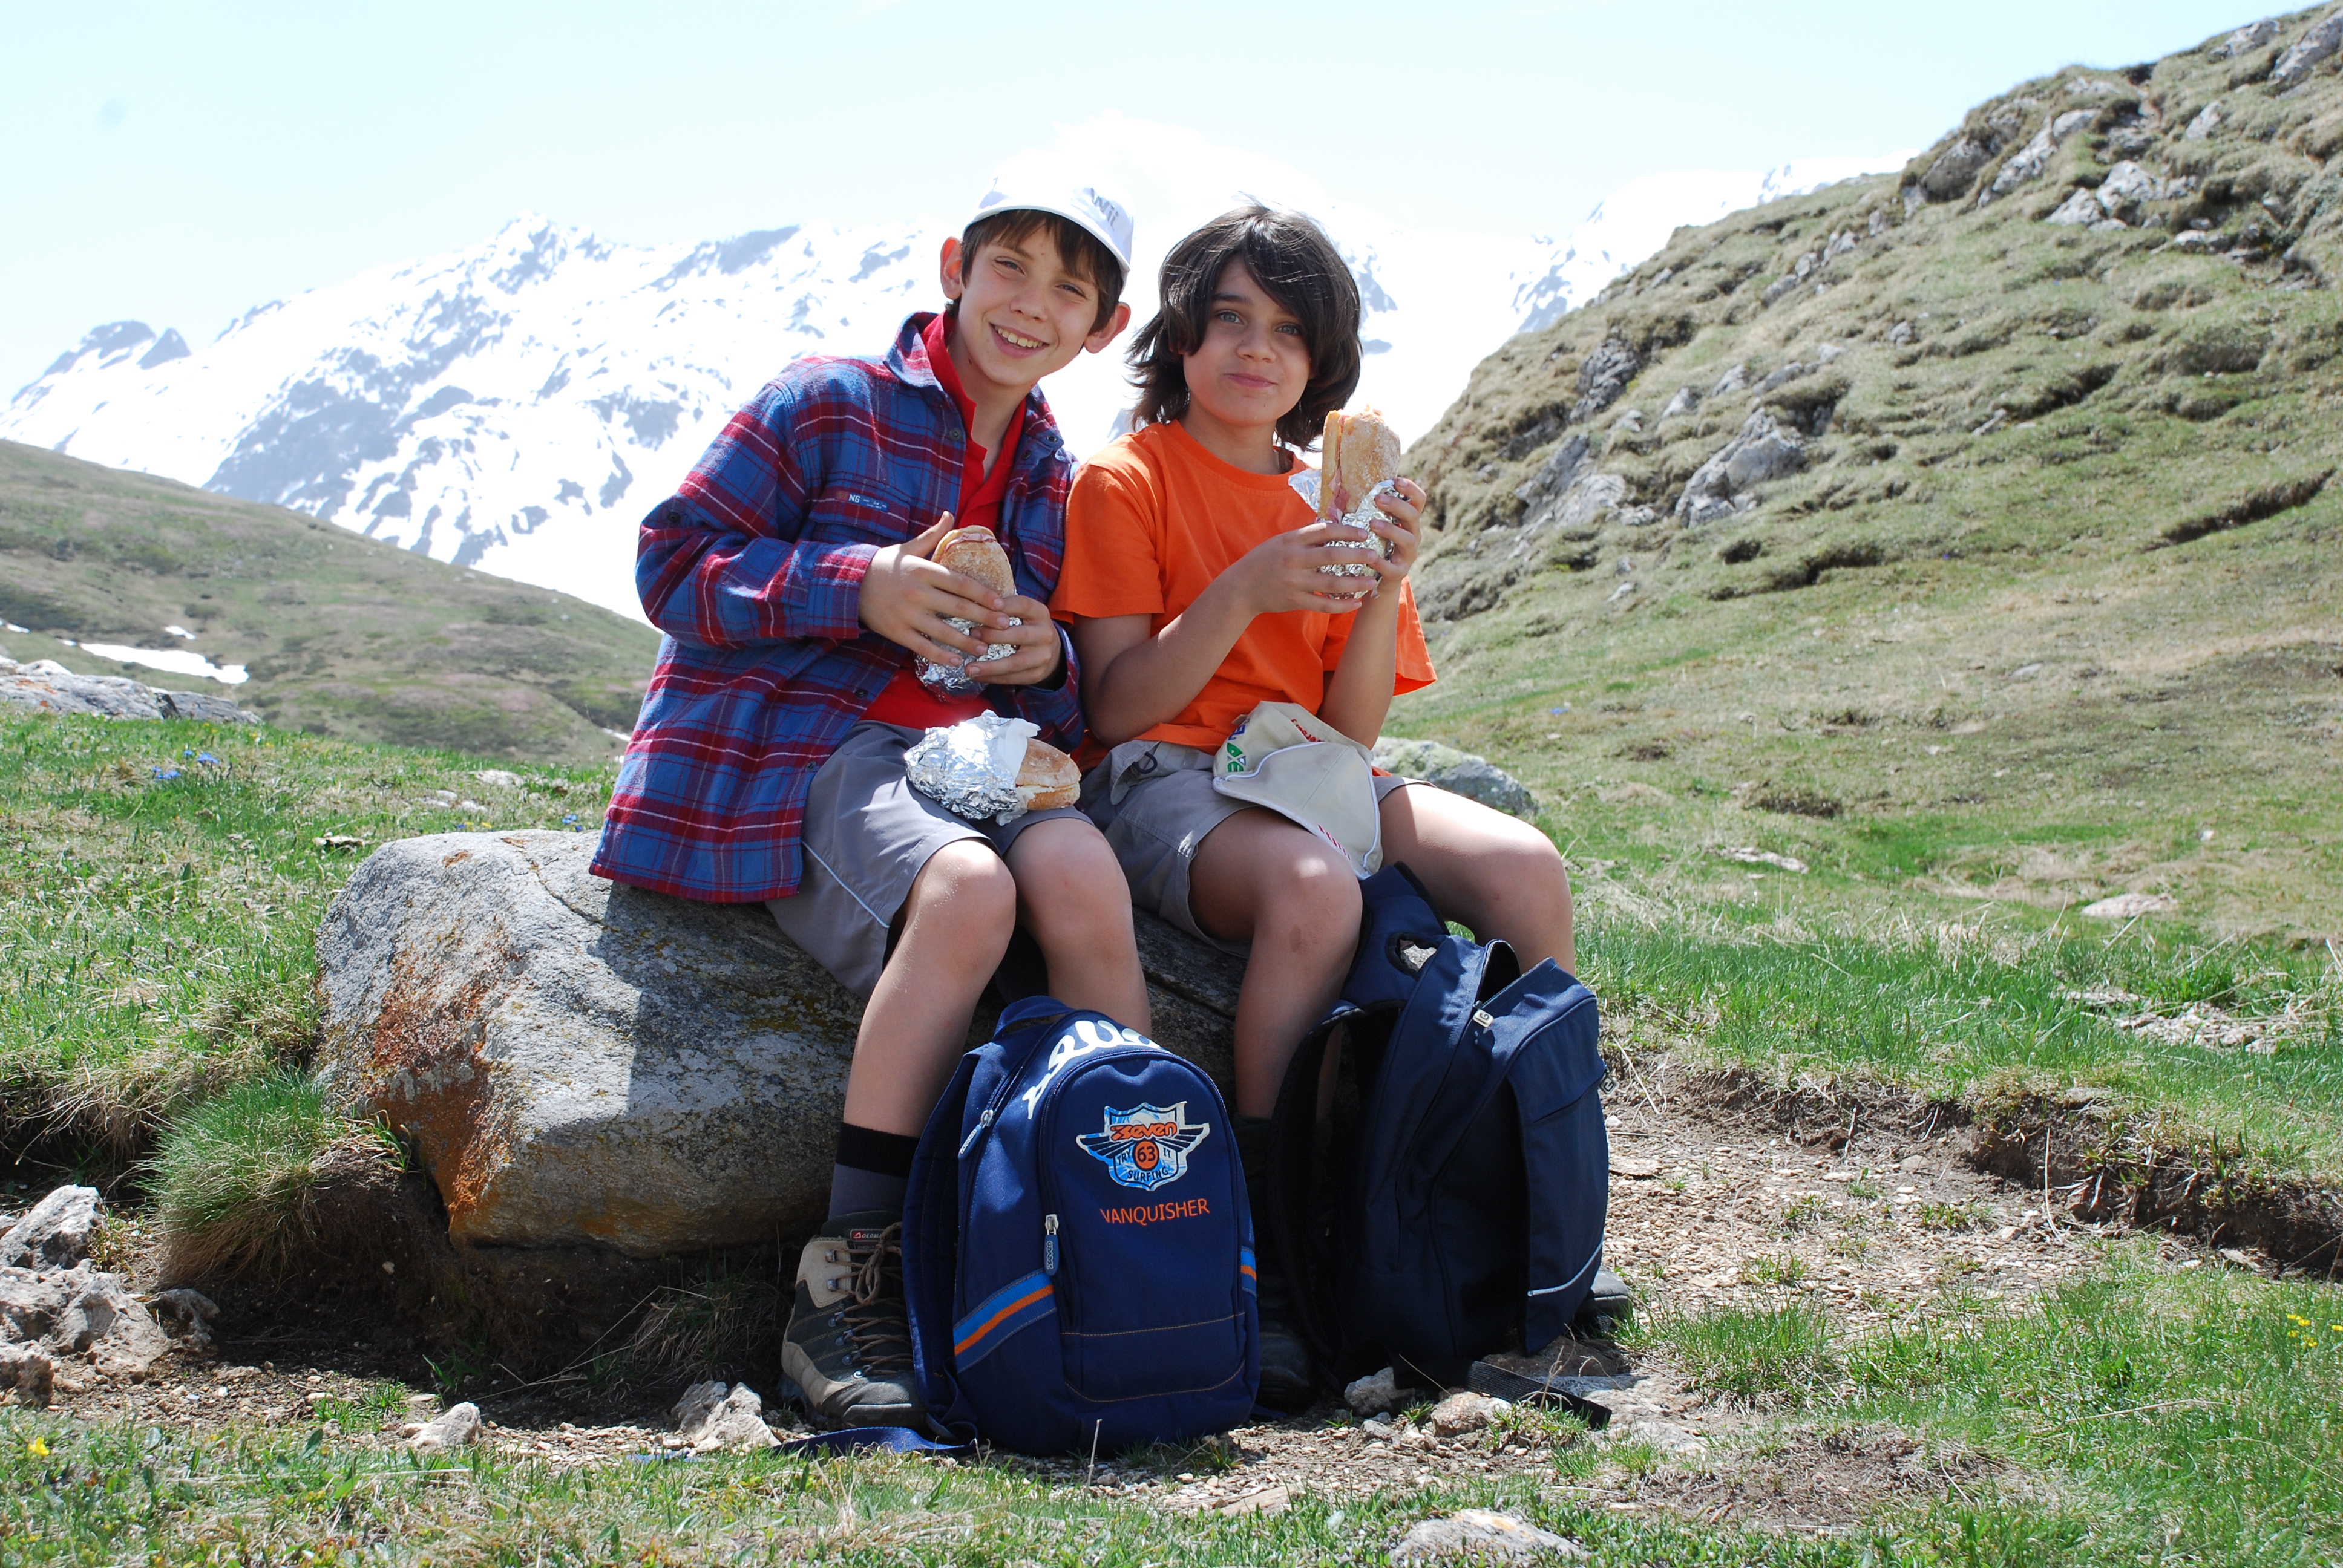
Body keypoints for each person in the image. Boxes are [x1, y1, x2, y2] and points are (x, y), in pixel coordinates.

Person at [592, 161, 1147, 1431]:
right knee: (967, 893)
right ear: (955, 266)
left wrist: (1042, 660)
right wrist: (861, 585)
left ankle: (1136, 1215)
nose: (1032, 303)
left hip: (969, 756)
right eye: (1010, 266)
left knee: (1082, 873)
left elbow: (1061, 699)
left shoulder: (1054, 474)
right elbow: (673, 563)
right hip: (800, 748)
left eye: (1069, 290)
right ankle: (846, 1280)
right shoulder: (825, 401)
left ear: (1103, 327)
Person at [1050, 206, 1576, 1406]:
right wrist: (1244, 590)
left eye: (1290, 331)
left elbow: (1351, 731)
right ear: (1180, 337)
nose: (1257, 349)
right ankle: (1268, 1244)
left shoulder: (1330, 499)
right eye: (1230, 318)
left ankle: (1548, 1209)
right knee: (1312, 888)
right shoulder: (1126, 480)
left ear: (1322, 361)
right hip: (1169, 776)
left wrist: (1385, 584)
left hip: (1309, 767)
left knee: (1525, 870)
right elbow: (1118, 706)